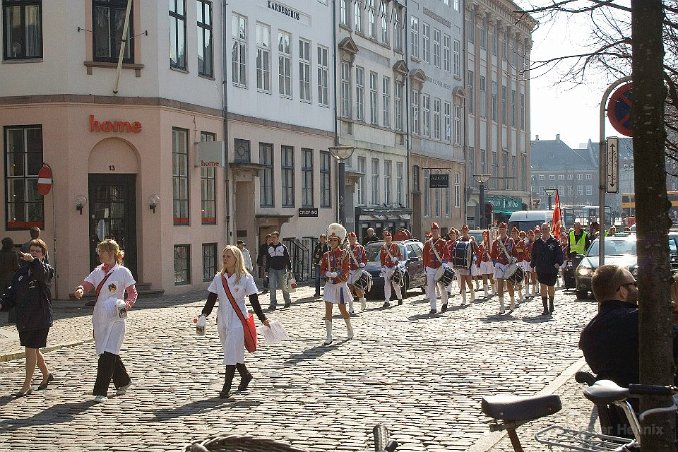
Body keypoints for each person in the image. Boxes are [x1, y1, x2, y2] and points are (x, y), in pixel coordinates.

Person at [197, 245, 270, 398]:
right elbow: (211, 299)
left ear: (236, 259)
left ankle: (226, 386)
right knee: (231, 352)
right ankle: (245, 375)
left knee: (230, 352)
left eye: (228, 256)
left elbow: (254, 300)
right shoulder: (218, 278)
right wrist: (203, 315)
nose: (224, 259)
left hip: (238, 319)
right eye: (223, 256)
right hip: (222, 319)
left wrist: (263, 318)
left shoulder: (245, 277)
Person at [73, 239, 137, 402]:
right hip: (100, 315)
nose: (99, 254)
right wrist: (80, 289)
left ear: (111, 253)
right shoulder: (98, 271)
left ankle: (100, 391)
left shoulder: (123, 272)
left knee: (108, 353)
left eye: (102, 251)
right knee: (105, 350)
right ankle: (124, 381)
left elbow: (132, 293)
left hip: (116, 315)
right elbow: (86, 284)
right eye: (99, 251)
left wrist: (127, 305)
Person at [0, 239, 55, 397]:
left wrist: (35, 261)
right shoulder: (21, 273)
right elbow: (12, 292)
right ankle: (46, 374)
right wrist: (3, 303)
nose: (34, 253)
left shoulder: (46, 269)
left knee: (30, 349)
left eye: (38, 251)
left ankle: (27, 384)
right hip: (24, 318)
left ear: (43, 255)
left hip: (40, 316)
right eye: (32, 251)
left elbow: (42, 274)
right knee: (33, 349)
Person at [320, 223, 353, 345]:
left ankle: (349, 327)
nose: (332, 242)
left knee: (342, 308)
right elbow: (322, 269)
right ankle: (329, 335)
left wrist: (337, 274)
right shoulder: (326, 255)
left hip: (339, 284)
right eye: (330, 240)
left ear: (338, 241)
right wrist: (327, 274)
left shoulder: (344, 254)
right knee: (328, 308)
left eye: (334, 240)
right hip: (329, 285)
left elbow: (346, 268)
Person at [531, 223, 564, 315]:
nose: (545, 230)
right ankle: (545, 308)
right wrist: (533, 265)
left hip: (551, 268)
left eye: (546, 229)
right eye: (543, 229)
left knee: (550, 287)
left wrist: (558, 263)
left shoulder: (554, 242)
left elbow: (559, 254)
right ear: (541, 230)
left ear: (549, 230)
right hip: (541, 268)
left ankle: (551, 304)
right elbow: (533, 255)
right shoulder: (537, 243)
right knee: (542, 286)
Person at [423, 222, 450, 314]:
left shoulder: (443, 242)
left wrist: (445, 263)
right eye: (433, 230)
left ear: (438, 231)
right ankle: (433, 307)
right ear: (431, 231)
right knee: (431, 288)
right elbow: (425, 256)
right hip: (430, 267)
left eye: (436, 230)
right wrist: (425, 267)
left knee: (442, 287)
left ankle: (445, 302)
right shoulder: (427, 244)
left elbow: (446, 254)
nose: (434, 232)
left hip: (439, 267)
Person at [490, 223, 516, 314]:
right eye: (500, 229)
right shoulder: (496, 242)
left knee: (509, 285)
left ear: (506, 230)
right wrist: (495, 263)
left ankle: (512, 301)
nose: (501, 231)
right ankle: (502, 305)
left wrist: (512, 260)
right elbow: (493, 255)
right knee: (500, 284)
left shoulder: (511, 241)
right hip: (500, 264)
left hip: (508, 264)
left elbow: (515, 253)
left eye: (503, 229)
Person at [265, 231, 292, 311]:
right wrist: (266, 270)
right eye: (271, 237)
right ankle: (273, 303)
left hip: (282, 269)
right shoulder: (269, 248)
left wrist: (290, 269)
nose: (272, 239)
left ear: (278, 238)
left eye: (274, 237)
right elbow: (268, 260)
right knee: (272, 287)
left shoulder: (283, 247)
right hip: (272, 269)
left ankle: (287, 301)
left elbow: (287, 258)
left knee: (283, 286)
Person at [454, 225, 479, 306]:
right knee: (462, 281)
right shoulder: (459, 240)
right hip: (461, 263)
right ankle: (464, 299)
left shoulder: (471, 240)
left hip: (469, 262)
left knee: (468, 281)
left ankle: (472, 294)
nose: (464, 231)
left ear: (468, 230)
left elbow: (477, 251)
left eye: (465, 230)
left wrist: (475, 257)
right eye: (463, 230)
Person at [379, 231, 403, 307]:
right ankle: (387, 300)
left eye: (389, 238)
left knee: (396, 284)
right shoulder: (383, 248)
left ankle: (399, 298)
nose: (388, 240)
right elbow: (382, 258)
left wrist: (396, 258)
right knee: (386, 284)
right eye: (386, 238)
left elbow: (400, 256)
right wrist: (382, 266)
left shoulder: (395, 246)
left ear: (391, 238)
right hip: (386, 268)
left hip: (394, 267)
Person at [346, 231, 368, 313]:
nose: (351, 240)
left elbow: (365, 259)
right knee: (349, 288)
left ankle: (362, 300)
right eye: (350, 238)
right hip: (349, 270)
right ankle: (351, 308)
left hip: (357, 270)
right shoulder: (346, 248)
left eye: (353, 238)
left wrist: (363, 263)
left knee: (357, 288)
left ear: (355, 238)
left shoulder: (360, 248)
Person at [0, 237, 19, 324]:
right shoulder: (13, 254)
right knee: (11, 297)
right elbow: (16, 267)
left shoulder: (0, 254)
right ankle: (11, 318)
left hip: (1, 279)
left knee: (1, 297)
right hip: (11, 278)